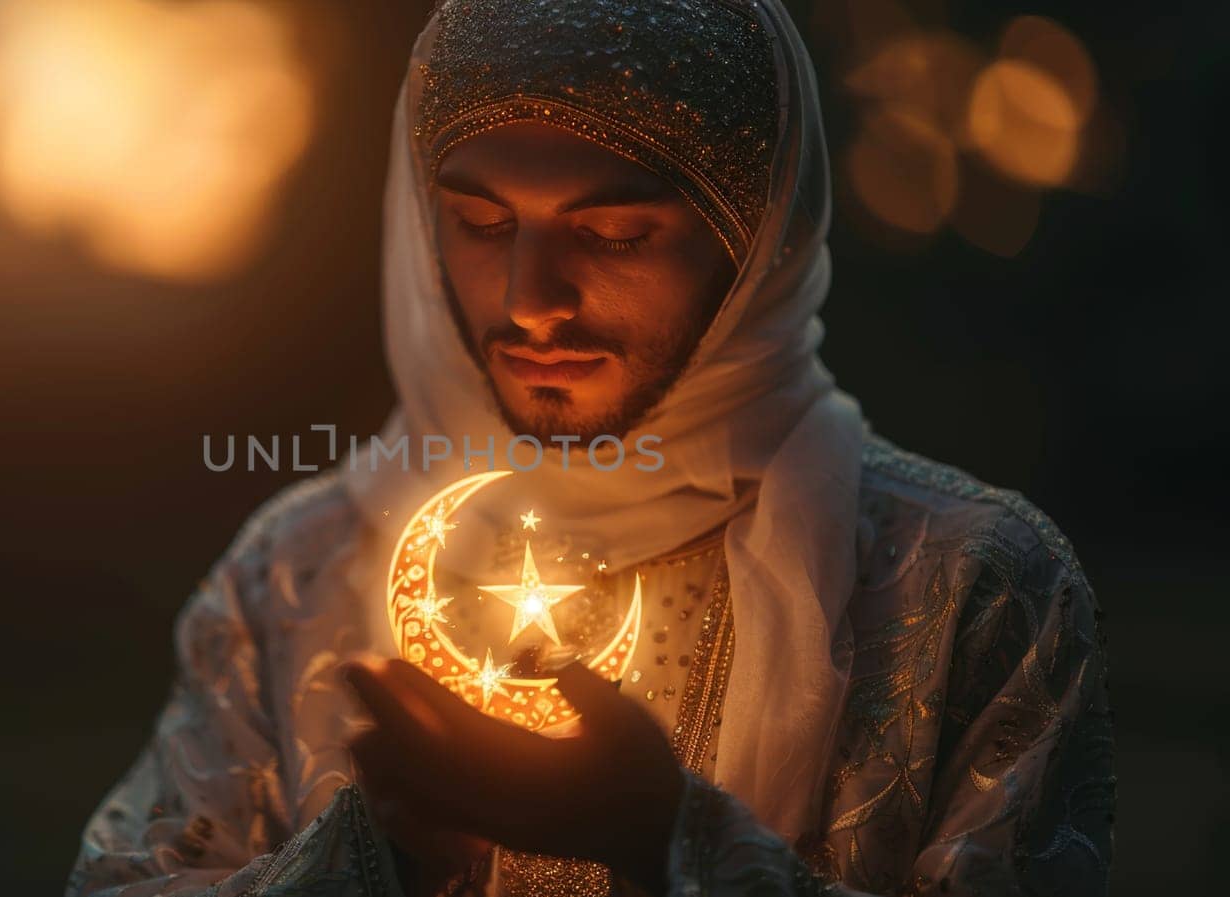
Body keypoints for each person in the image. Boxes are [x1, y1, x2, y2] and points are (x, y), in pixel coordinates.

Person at [65, 1, 1115, 895]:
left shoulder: (969, 587)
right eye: (479, 224)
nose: (530, 304)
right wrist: (380, 853)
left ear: (755, 241)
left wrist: (669, 840)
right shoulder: (291, 579)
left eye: (614, 236)